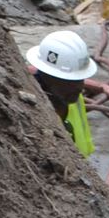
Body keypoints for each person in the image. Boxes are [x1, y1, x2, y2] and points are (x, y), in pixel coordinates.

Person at [25, 28, 99, 159]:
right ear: (47, 76)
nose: (79, 87)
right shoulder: (32, 111)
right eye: (69, 80)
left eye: (80, 78)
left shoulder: (73, 97)